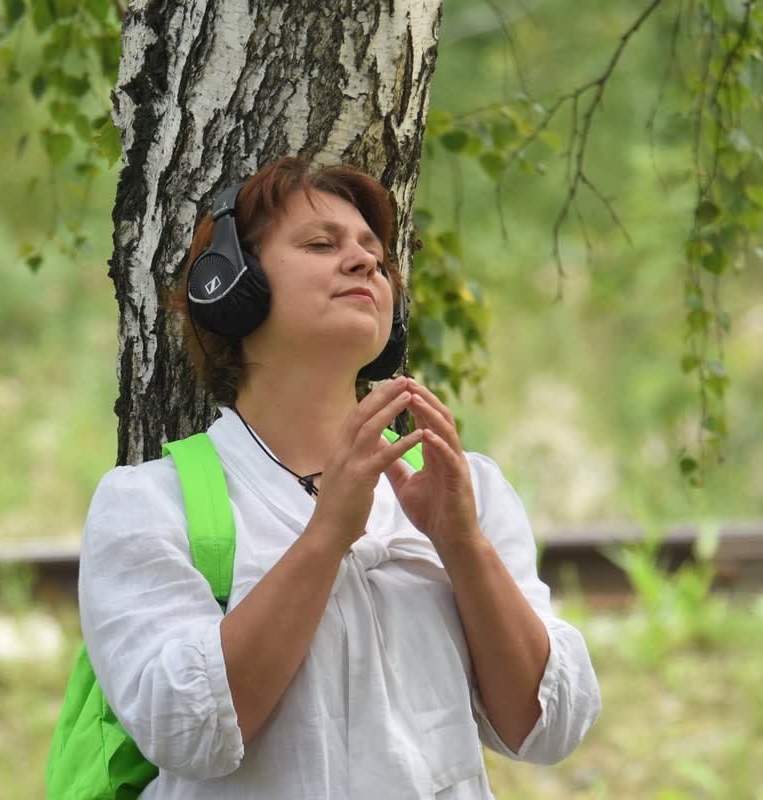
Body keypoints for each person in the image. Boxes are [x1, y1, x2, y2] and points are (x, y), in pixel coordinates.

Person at [78, 156, 600, 799]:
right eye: (321, 245)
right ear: (233, 286)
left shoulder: (466, 489)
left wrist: (462, 544)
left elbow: (548, 729)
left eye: (375, 256)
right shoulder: (150, 504)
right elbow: (187, 732)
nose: (363, 264)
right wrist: (328, 534)